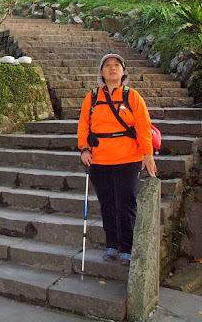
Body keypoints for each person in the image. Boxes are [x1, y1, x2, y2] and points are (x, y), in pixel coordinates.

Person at [77, 53, 157, 265]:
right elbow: (83, 125)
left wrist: (147, 155)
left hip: (128, 158)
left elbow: (143, 127)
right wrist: (84, 149)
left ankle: (127, 248)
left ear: (123, 72)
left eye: (117, 65)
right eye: (107, 66)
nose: (112, 68)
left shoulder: (132, 96)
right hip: (99, 159)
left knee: (126, 203)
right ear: (101, 73)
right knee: (107, 204)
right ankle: (111, 244)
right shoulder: (92, 97)